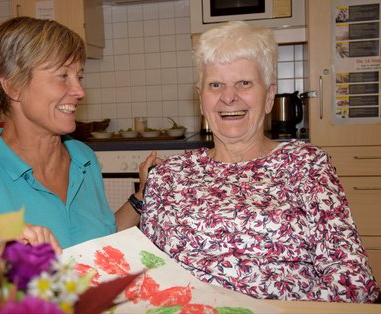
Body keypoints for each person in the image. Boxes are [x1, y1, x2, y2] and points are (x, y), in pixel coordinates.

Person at [140, 21, 379, 303]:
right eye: (215, 85)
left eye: (244, 83)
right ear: (201, 100)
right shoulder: (167, 176)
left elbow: (353, 282)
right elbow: (146, 276)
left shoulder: (307, 165)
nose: (229, 97)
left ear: (268, 96)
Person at [0, 16, 153, 254]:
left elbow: (95, 248)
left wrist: (140, 198)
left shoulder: (84, 159)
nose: (79, 91)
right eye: (63, 76)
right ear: (13, 86)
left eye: (79, 76)